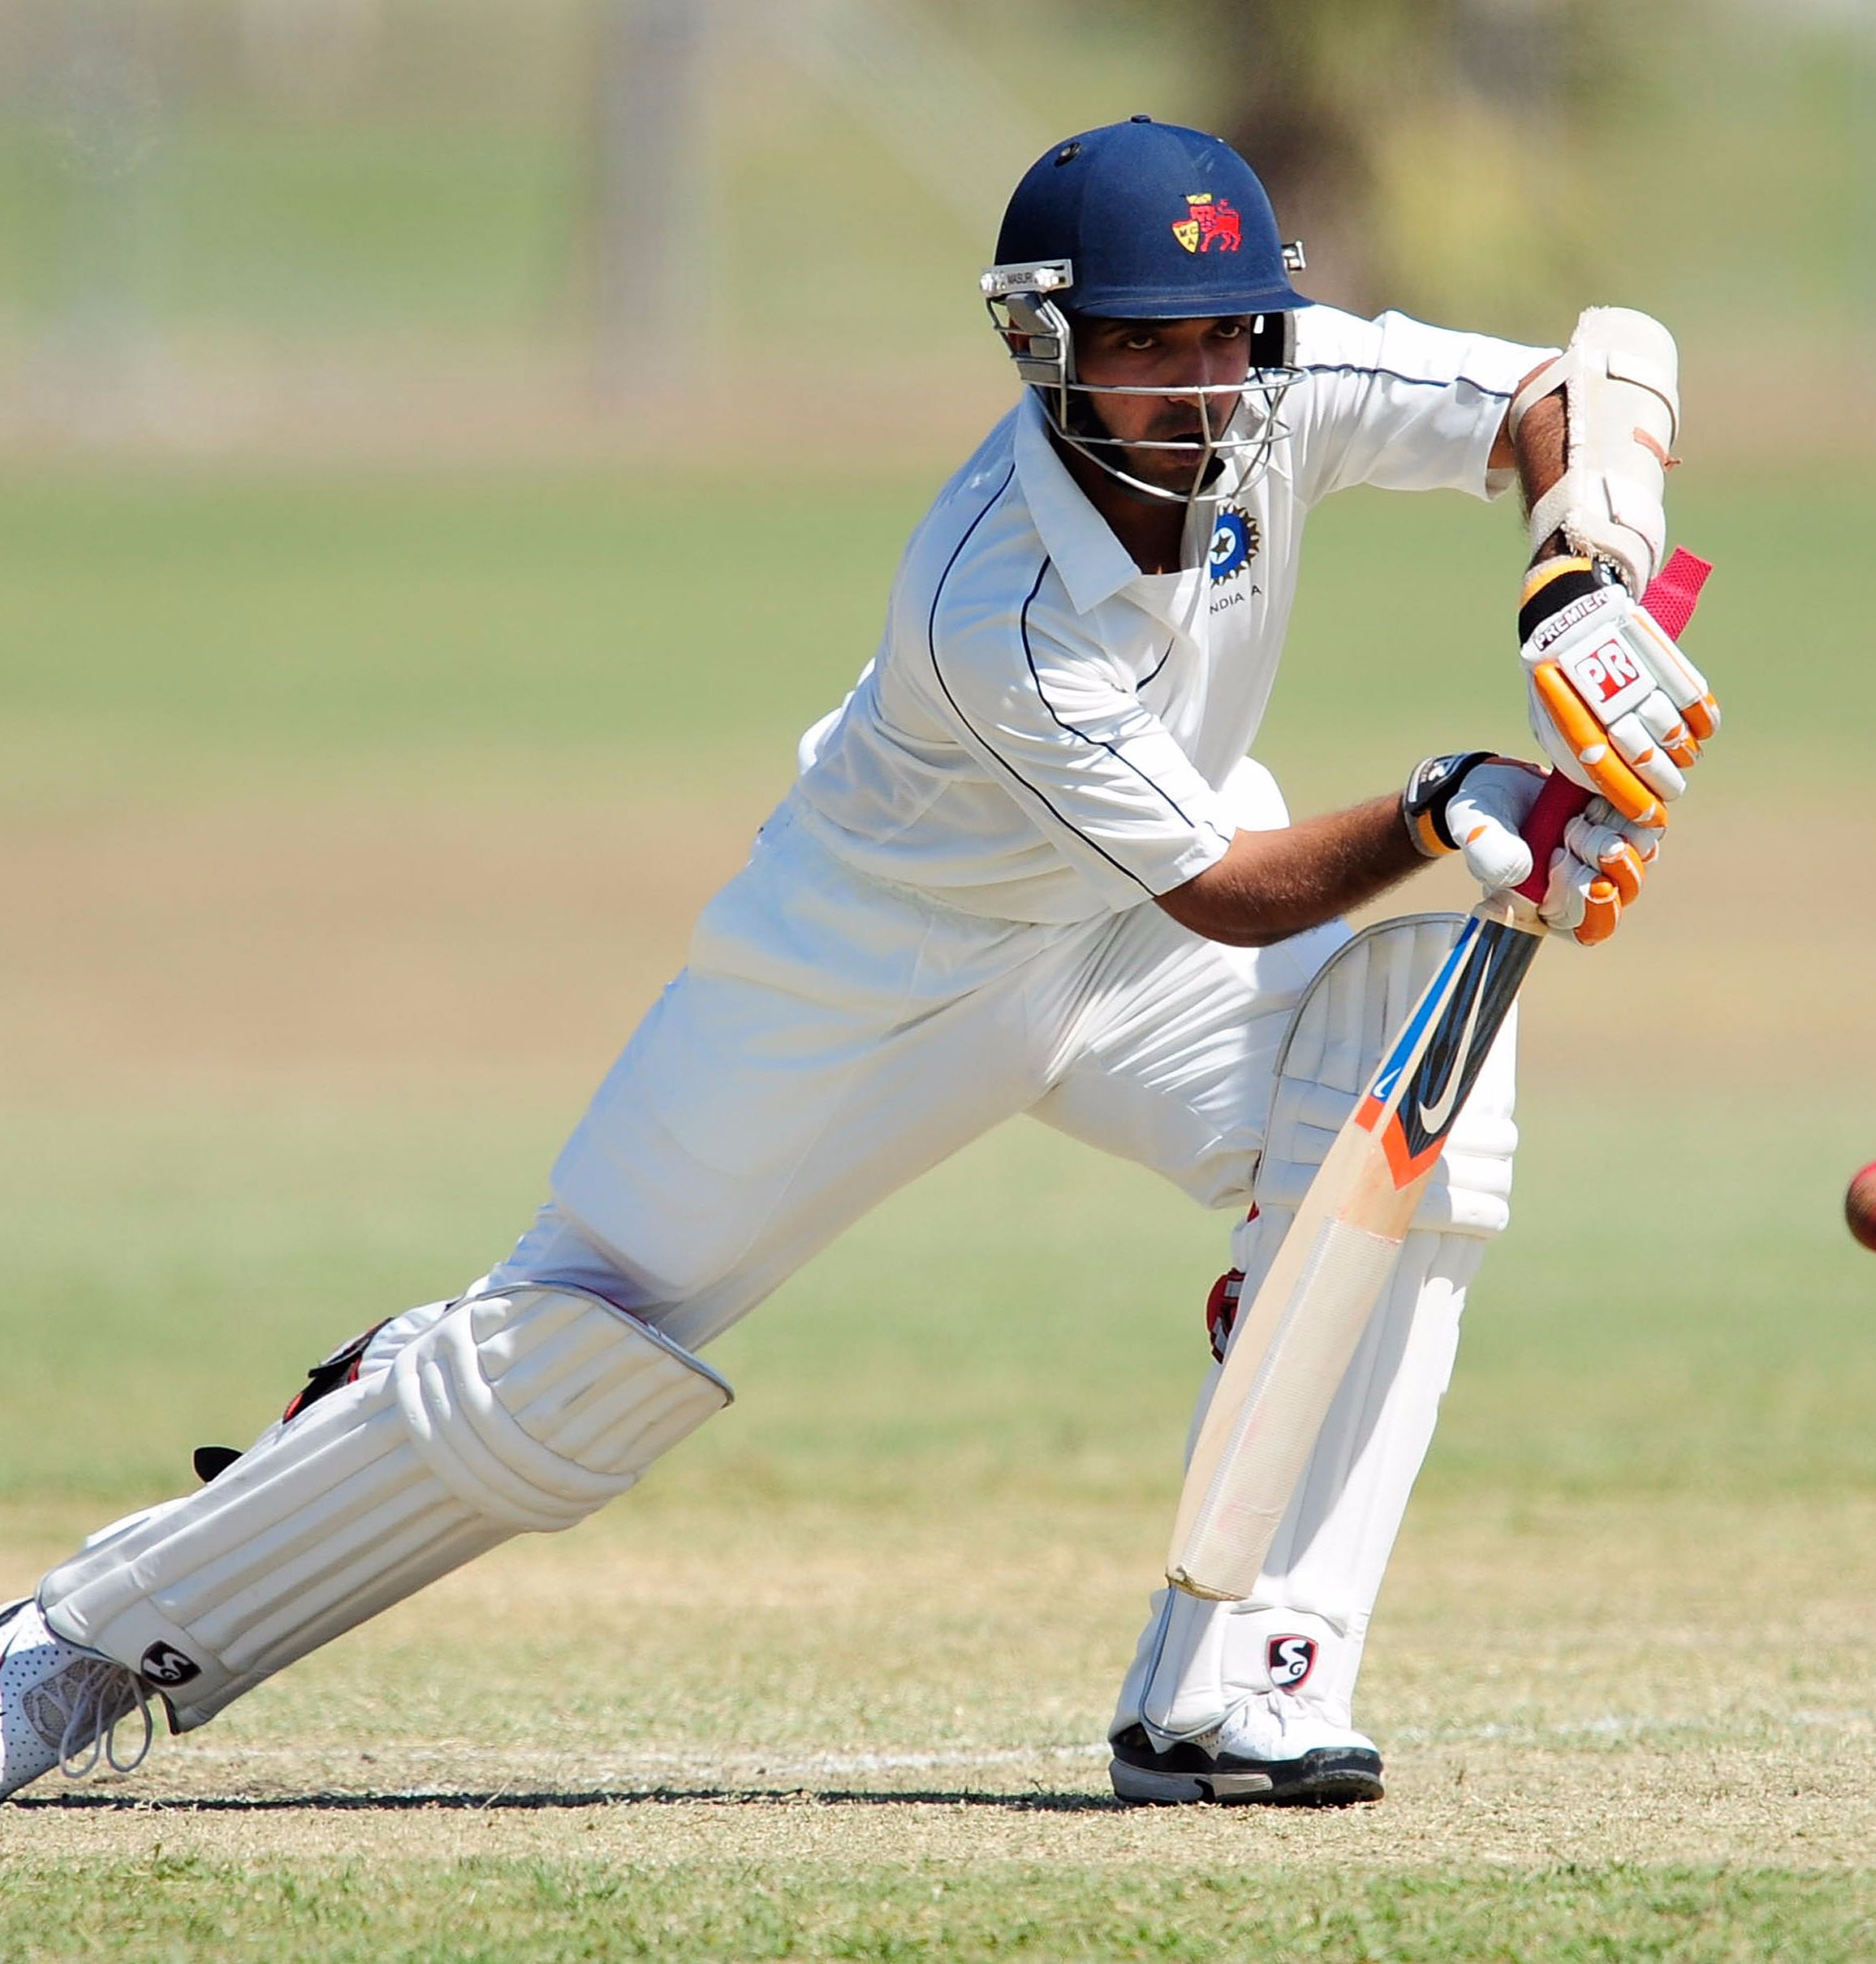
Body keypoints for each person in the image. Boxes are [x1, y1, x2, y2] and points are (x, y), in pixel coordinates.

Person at [0, 117, 1714, 1808]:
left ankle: (1235, 1683)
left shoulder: (1276, 384)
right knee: (557, 1374)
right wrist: (1455, 802)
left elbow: (1577, 383)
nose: (1200, 382)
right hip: (873, 967)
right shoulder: (994, 596)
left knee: (1418, 1117)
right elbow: (1233, 891)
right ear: (1044, 345)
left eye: (1226, 331)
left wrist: (1577, 579)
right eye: (1144, 343)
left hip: (1120, 952)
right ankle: (68, 1650)